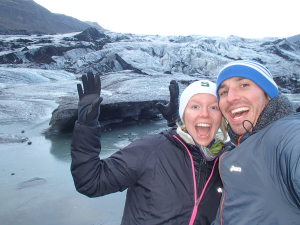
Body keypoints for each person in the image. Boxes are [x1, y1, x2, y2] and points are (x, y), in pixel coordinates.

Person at [70, 73, 227, 225]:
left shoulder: (225, 162)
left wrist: (175, 122)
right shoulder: (151, 150)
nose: (205, 114)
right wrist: (87, 125)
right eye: (195, 106)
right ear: (184, 114)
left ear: (222, 116)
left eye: (214, 107)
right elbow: (91, 182)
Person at [212, 60, 300, 224]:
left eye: (244, 85)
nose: (231, 97)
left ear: (268, 93)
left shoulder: (288, 136)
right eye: (223, 92)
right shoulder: (235, 148)